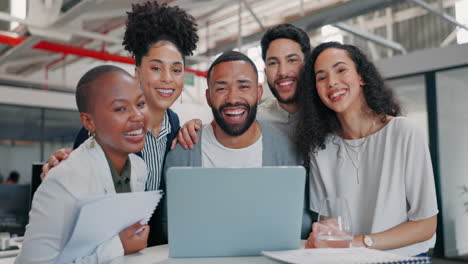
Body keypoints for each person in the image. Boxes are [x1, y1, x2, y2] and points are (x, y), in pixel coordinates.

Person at [39, 0, 198, 246]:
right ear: (137, 72)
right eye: (156, 68)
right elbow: (77, 189)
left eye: (176, 71)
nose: (167, 79)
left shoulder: (175, 127)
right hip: (103, 248)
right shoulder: (105, 126)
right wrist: (60, 167)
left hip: (151, 251)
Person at [297, 42, 438, 256]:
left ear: (361, 77)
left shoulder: (404, 133)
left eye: (341, 70)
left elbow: (426, 226)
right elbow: (330, 220)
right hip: (349, 259)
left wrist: (360, 242)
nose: (332, 82)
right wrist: (326, 232)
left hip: (404, 259)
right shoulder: (321, 149)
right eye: (321, 77)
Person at [163, 50, 312, 239]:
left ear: (258, 93)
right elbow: (171, 228)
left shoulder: (287, 150)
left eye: (243, 87)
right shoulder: (184, 151)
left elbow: (301, 224)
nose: (232, 99)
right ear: (208, 97)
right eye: (221, 88)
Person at [17, 65, 150, 263]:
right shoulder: (63, 180)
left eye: (140, 104)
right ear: (89, 121)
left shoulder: (139, 168)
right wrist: (118, 246)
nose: (138, 116)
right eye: (121, 108)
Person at [174, 23, 310, 148]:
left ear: (308, 64)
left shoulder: (327, 113)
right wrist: (192, 128)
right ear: (265, 71)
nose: (283, 72)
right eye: (273, 63)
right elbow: (218, 131)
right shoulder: (255, 118)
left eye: (292, 60)